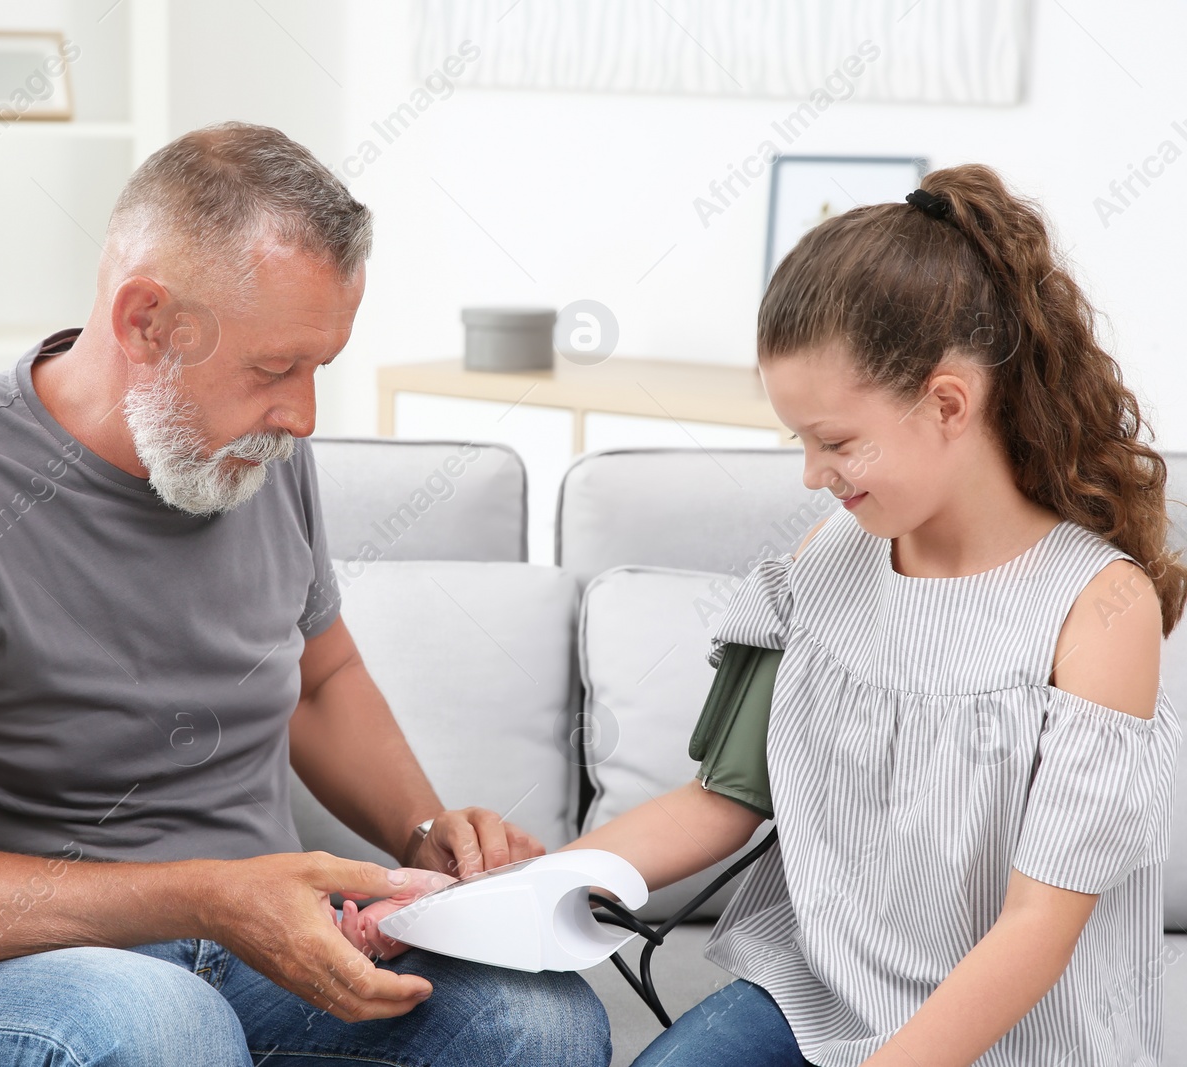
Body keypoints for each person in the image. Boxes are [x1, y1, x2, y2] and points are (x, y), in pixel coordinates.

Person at [0, 121, 610, 1067]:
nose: (302, 415)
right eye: (274, 369)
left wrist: (424, 833)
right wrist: (206, 897)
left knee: (542, 1025)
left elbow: (319, 678)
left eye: (318, 369)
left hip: (250, 944)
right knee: (165, 1029)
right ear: (146, 321)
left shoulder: (255, 451)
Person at [347, 164, 1185, 1066]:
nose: (813, 473)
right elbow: (719, 800)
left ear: (949, 402)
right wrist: (465, 905)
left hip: (1016, 1033)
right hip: (812, 994)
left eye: (836, 441)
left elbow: (1036, 932)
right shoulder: (825, 559)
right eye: (801, 440)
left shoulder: (1100, 610)